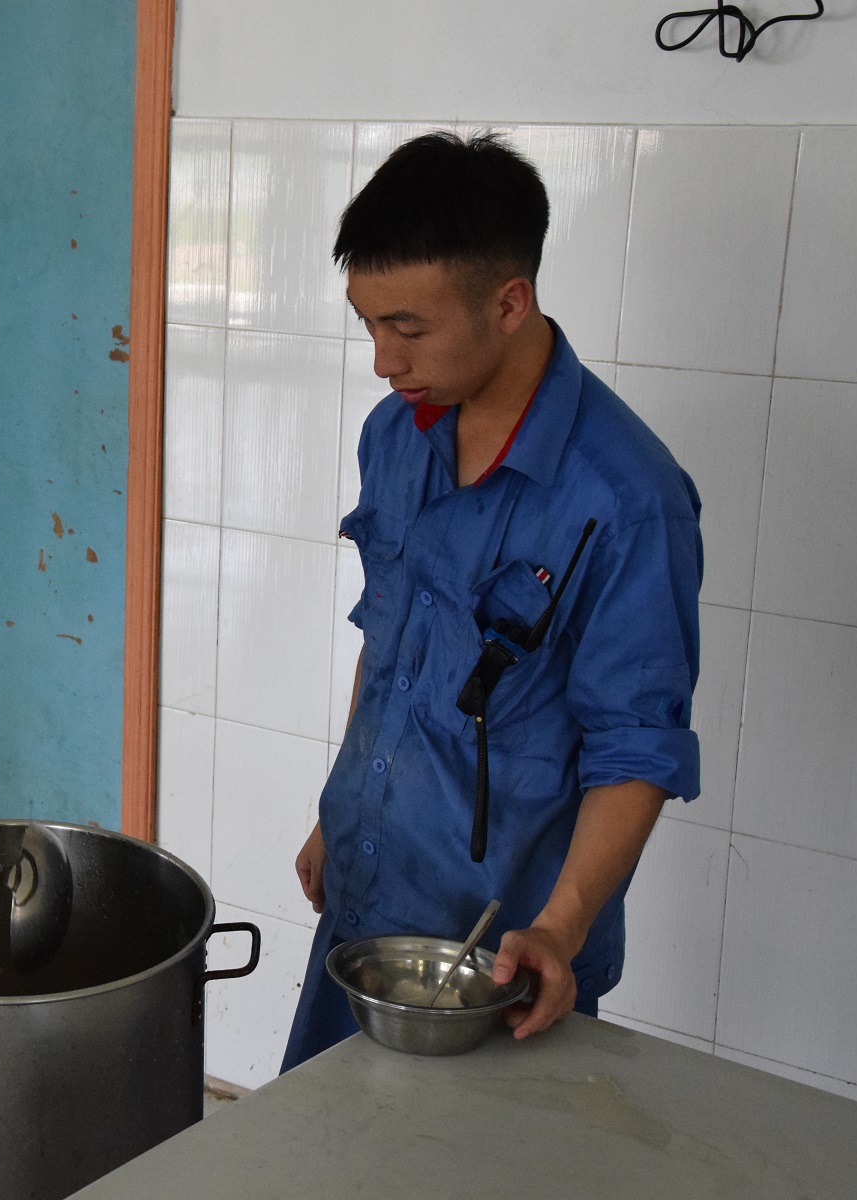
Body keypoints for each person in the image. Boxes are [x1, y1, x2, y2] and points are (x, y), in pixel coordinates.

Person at [282, 133, 702, 1070]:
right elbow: (393, 644)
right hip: (365, 903)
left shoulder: (626, 499)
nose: (383, 361)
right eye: (369, 325)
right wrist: (338, 814)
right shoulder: (396, 437)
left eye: (409, 328)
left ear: (510, 303)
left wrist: (560, 928)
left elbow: (637, 744)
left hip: (499, 956)